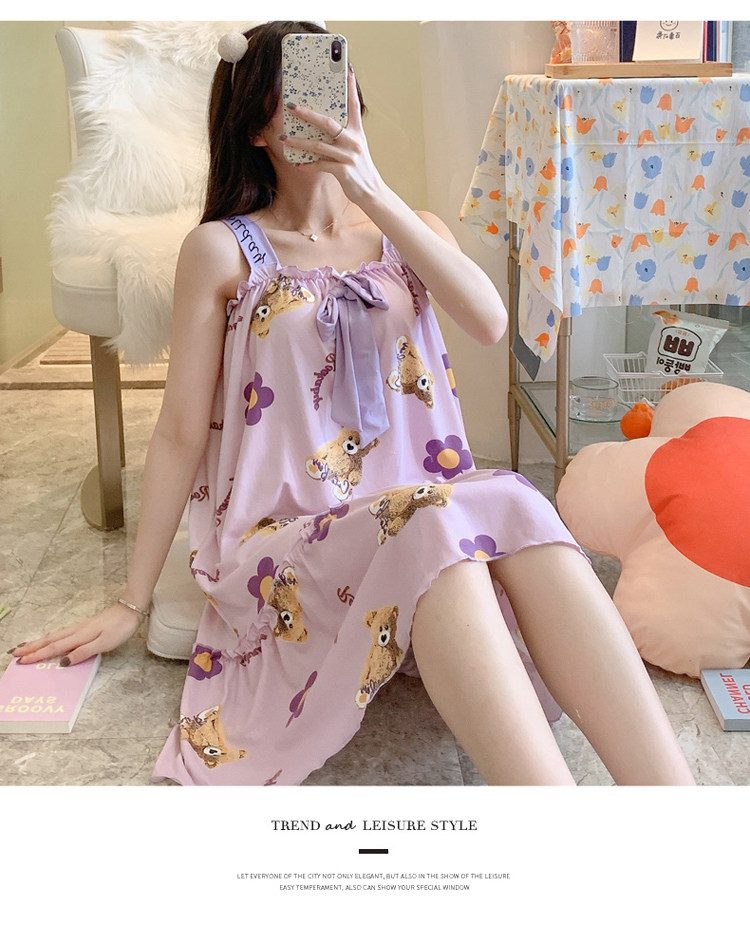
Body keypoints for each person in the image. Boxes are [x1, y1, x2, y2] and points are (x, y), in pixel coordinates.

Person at [12, 21, 695, 787]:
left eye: (332, 90)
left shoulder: (409, 231)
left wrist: (372, 189)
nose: (321, 111)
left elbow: (489, 321)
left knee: (505, 499)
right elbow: (178, 432)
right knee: (434, 519)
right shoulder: (221, 250)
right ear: (256, 126)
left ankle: (674, 814)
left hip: (422, 516)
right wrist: (131, 602)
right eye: (295, 96)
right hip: (290, 541)